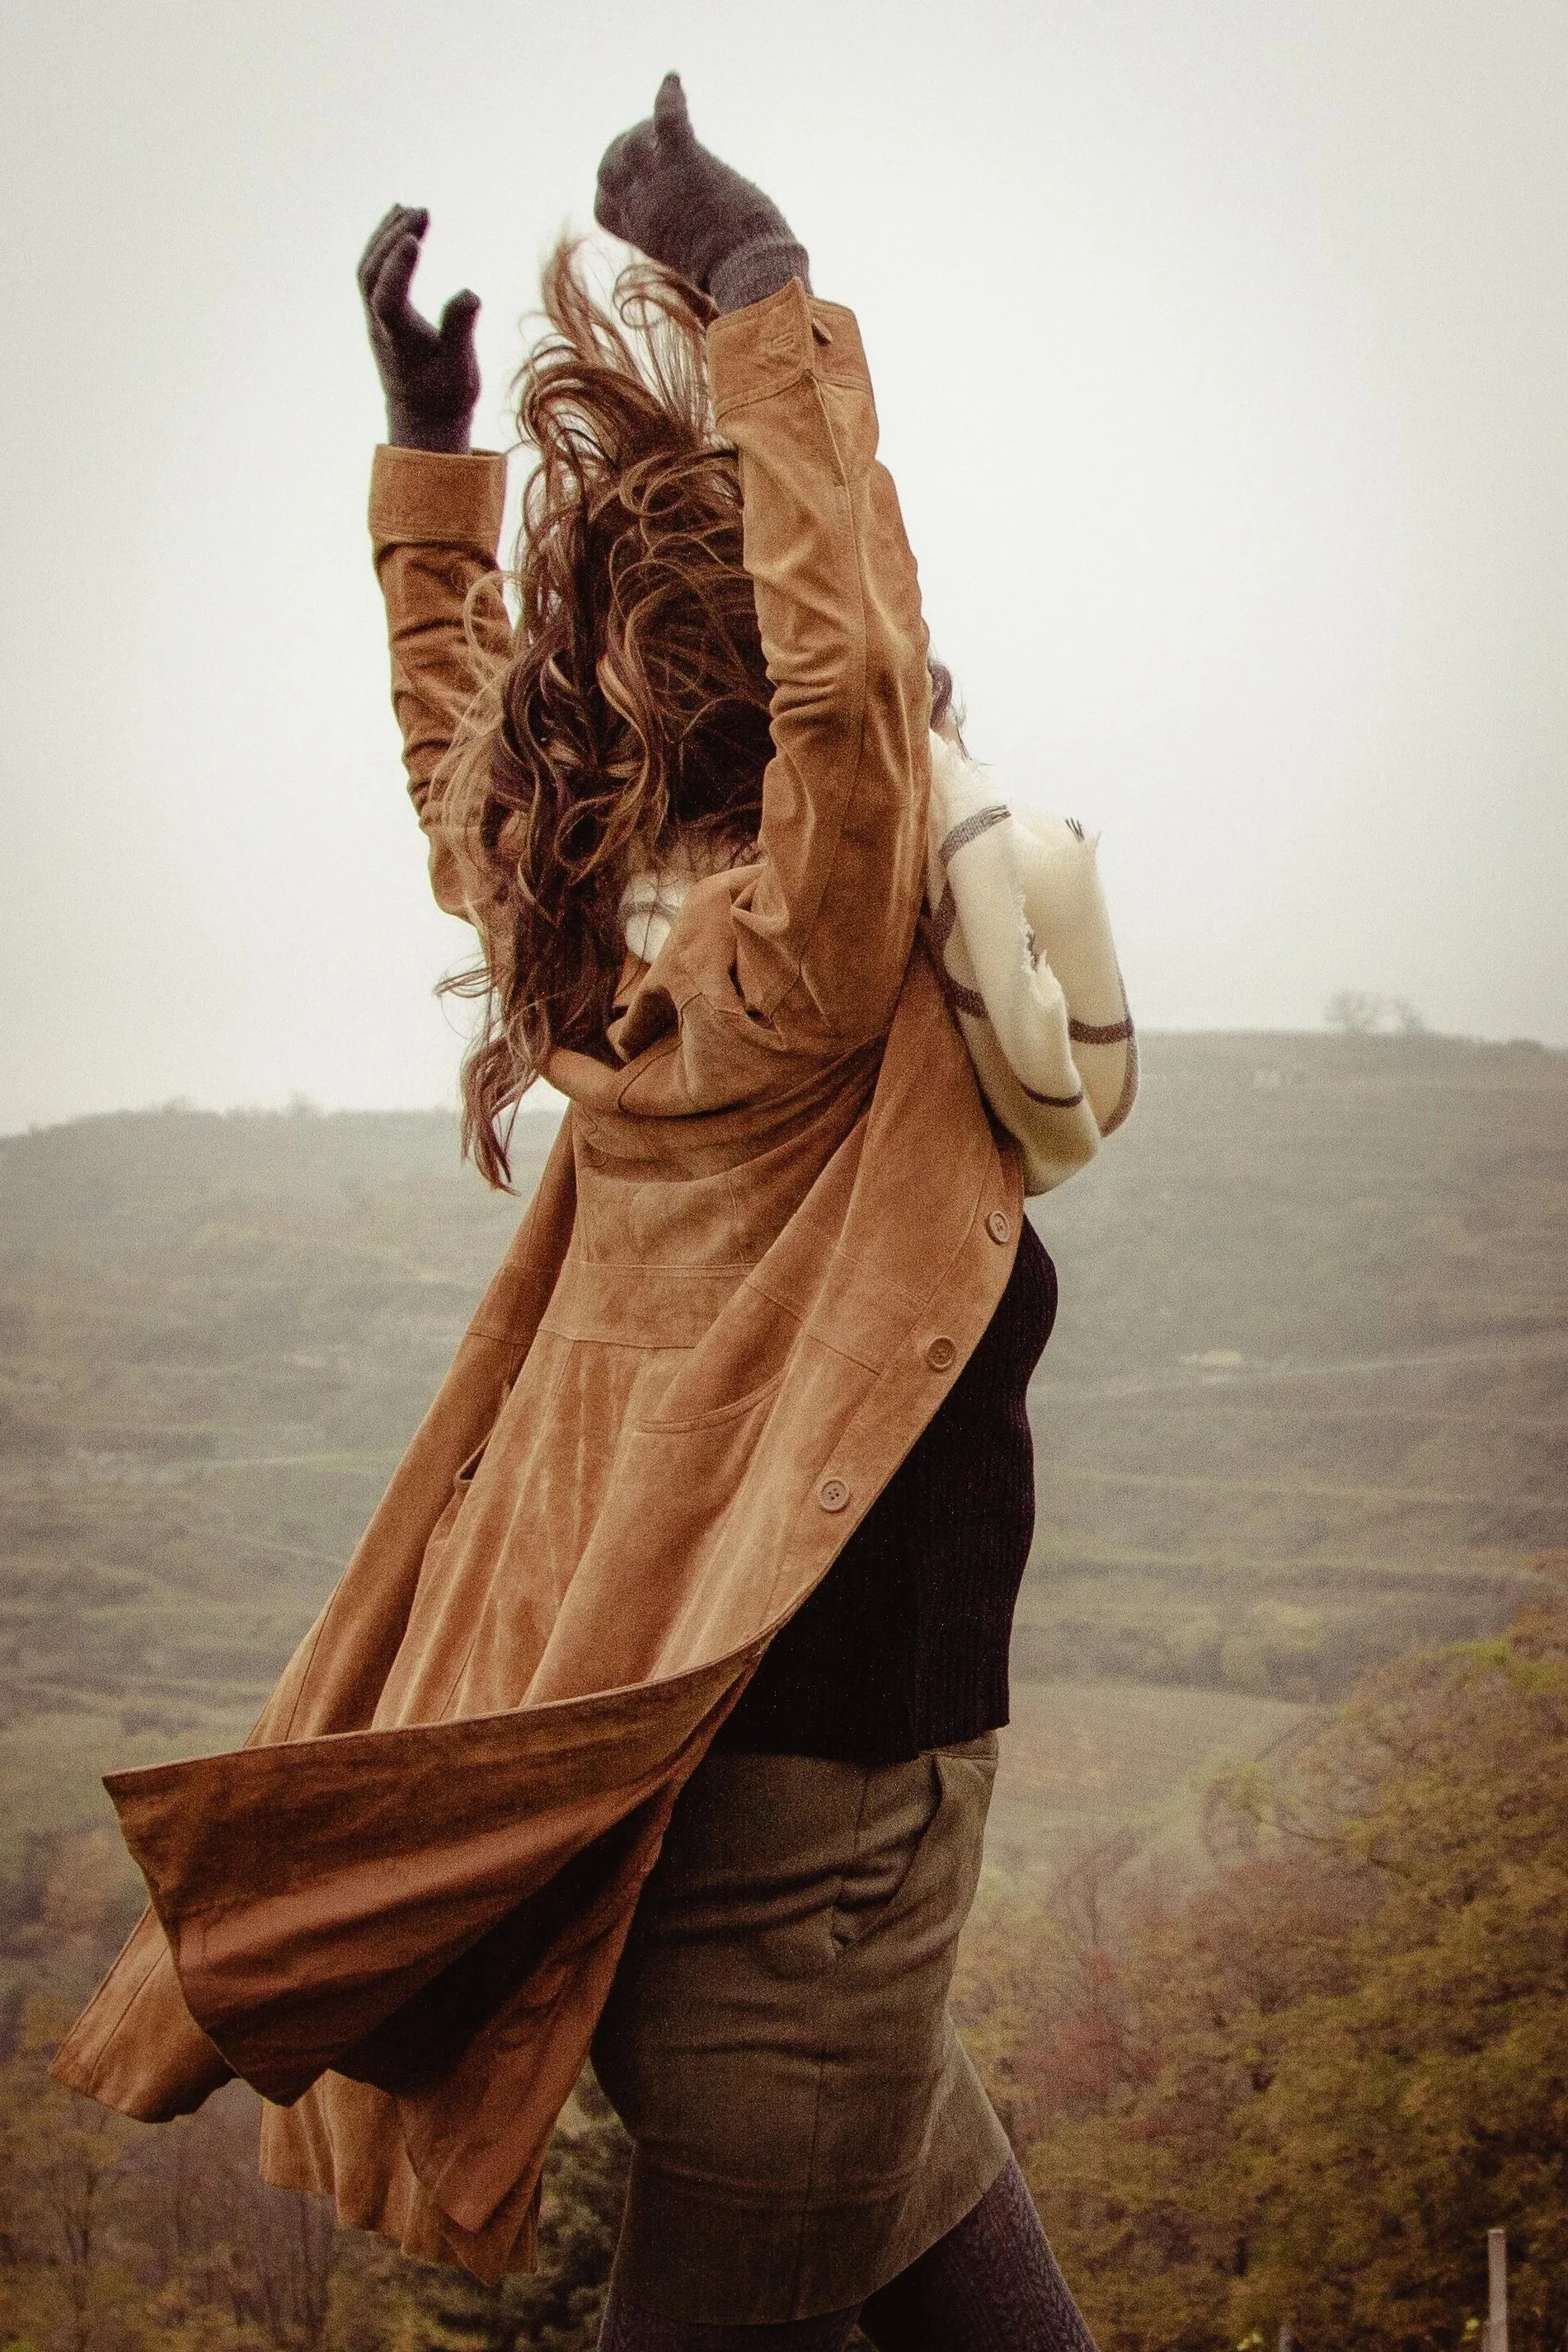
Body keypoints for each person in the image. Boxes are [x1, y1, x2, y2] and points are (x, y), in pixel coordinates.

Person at [53, 73, 1132, 2352]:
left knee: (947, 2235)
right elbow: (854, 685)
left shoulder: (577, 954)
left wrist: (426, 460)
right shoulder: (797, 971)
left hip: (705, 1788)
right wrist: (761, 294)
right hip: (824, 1845)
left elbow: (456, 752)